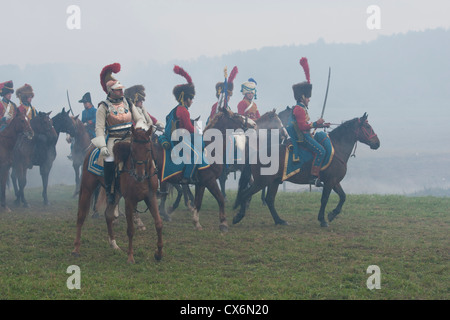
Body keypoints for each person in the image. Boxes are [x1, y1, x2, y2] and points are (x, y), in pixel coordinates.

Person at [91, 63, 147, 204]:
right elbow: (99, 128)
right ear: (110, 91)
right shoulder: (103, 107)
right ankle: (110, 191)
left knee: (145, 154)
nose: (122, 92)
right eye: (118, 90)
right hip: (113, 140)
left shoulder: (128, 102)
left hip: (130, 138)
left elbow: (139, 118)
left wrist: (140, 128)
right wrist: (102, 146)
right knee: (109, 159)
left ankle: (150, 185)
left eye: (121, 89)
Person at [290, 57, 330, 187]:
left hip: (307, 135)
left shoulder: (302, 108)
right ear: (302, 97)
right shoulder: (299, 109)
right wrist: (315, 124)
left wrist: (322, 125)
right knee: (321, 151)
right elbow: (303, 127)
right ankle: (313, 177)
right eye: (308, 97)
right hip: (304, 137)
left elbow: (307, 124)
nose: (309, 100)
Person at [164, 65, 201, 184]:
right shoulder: (183, 110)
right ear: (186, 98)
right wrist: (198, 131)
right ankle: (186, 177)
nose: (192, 101)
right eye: (191, 98)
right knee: (195, 155)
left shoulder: (178, 108)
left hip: (178, 137)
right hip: (179, 139)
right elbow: (189, 128)